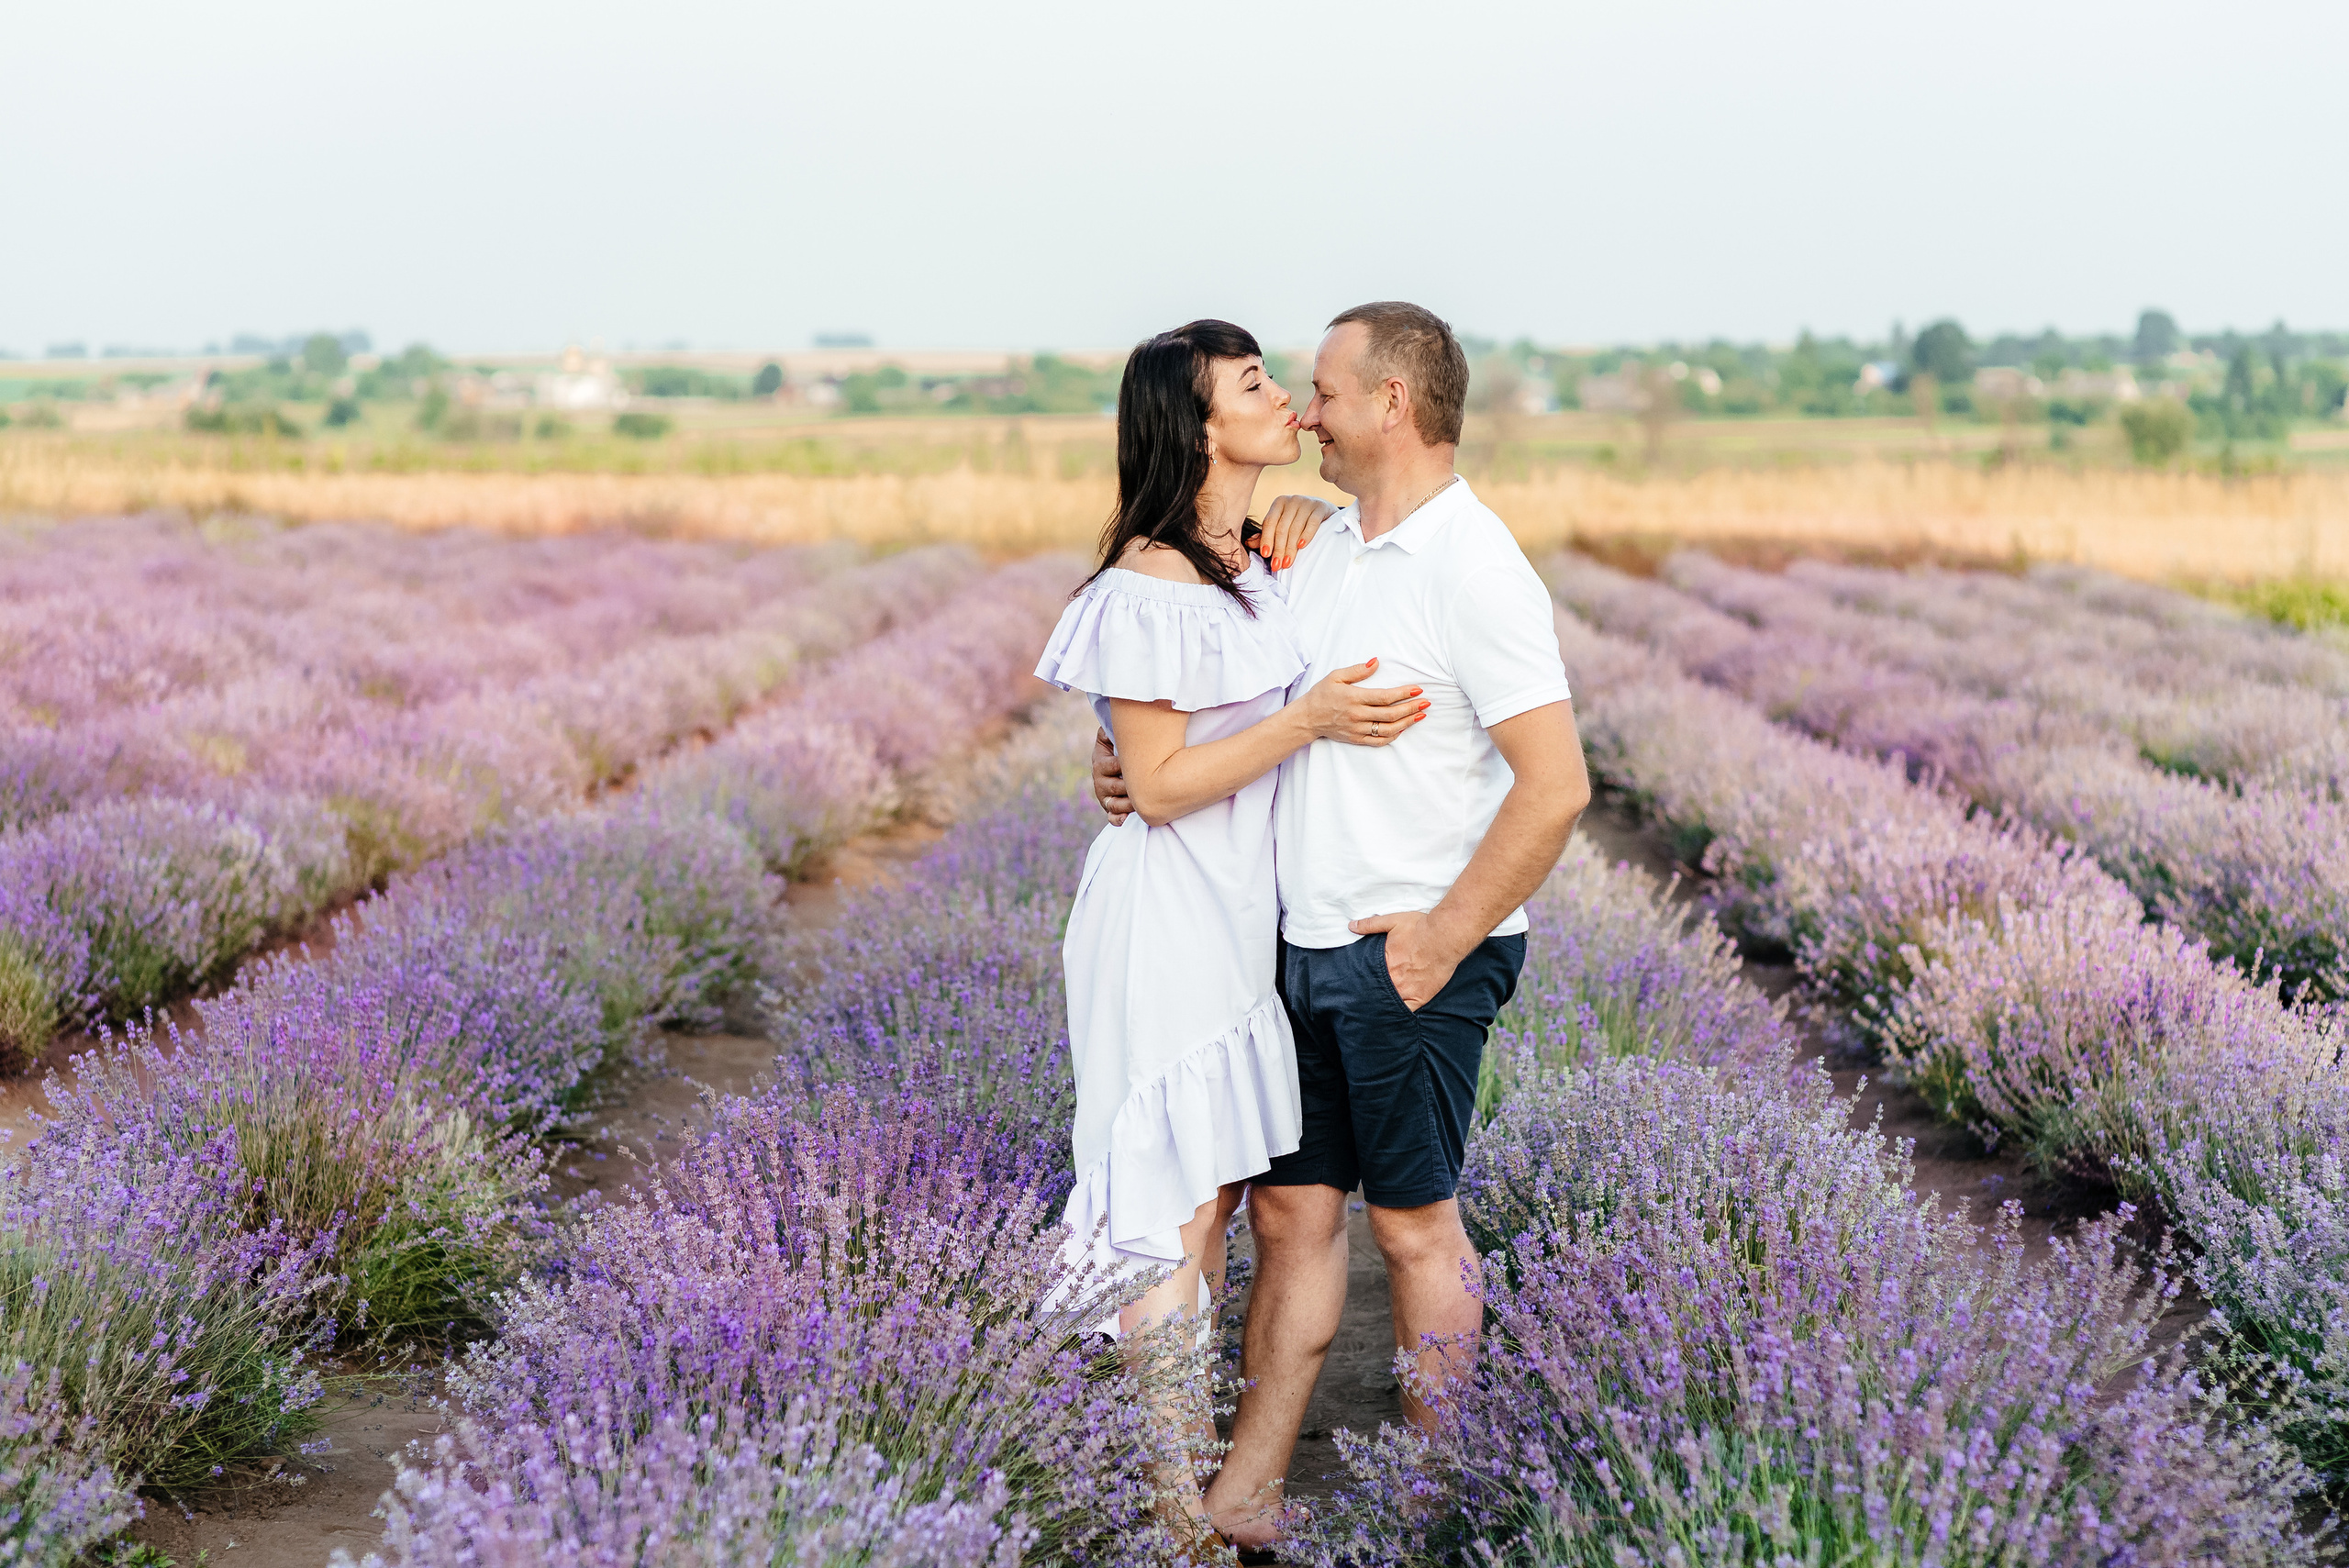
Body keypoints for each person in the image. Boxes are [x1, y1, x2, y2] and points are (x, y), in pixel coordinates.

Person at [1092, 301, 1592, 1552]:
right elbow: (1215, 701)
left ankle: (1430, 1509)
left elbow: (1557, 786)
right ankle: (1247, 1490)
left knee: (1414, 1228)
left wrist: (1442, 938)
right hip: (1292, 951)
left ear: (1393, 404)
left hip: (1407, 956)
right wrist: (1131, 770)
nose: (1307, 413)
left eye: (1323, 390)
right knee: (1289, 1220)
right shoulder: (1318, 548)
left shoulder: (1475, 566)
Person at [1033, 317, 1431, 1557]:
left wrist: (1300, 519)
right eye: (1255, 385)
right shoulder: (1147, 578)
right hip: (1166, 915)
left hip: (1236, 914)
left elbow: (1176, 735)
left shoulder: (1248, 558)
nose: (1286, 402)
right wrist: (1309, 721)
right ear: (1197, 427)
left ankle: (1176, 1479)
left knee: (1206, 1196)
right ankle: (1168, 1507)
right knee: (1173, 1199)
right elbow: (1155, 785)